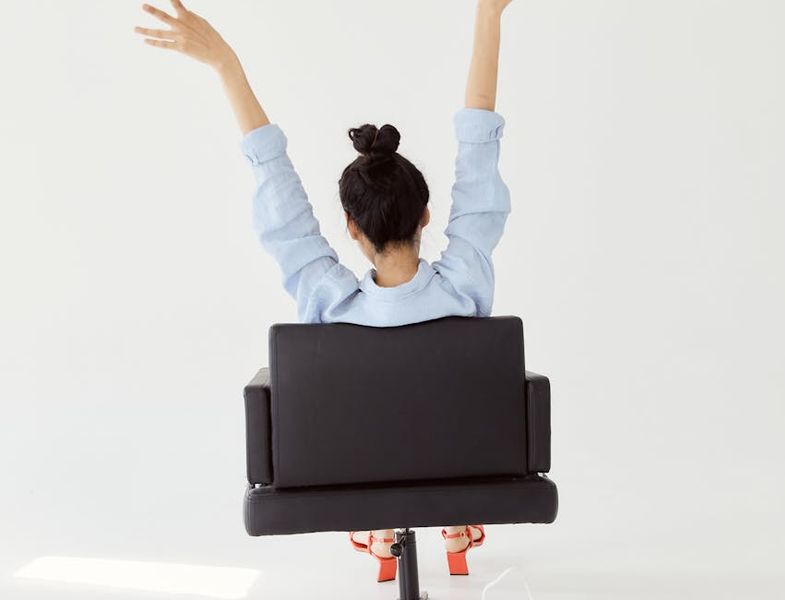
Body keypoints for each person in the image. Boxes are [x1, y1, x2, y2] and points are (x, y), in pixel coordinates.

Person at [135, 0, 513, 583]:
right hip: (462, 461)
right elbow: (479, 148)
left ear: (351, 228)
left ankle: (381, 519)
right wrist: (488, 14)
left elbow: (280, 199)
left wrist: (226, 64)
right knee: (436, 419)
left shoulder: (328, 301)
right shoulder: (466, 283)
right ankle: (455, 516)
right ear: (427, 214)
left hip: (356, 468)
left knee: (374, 426)